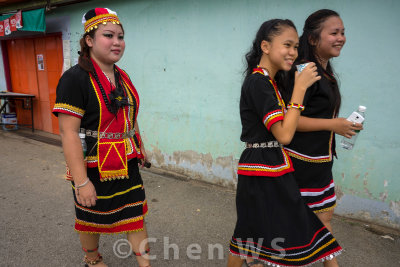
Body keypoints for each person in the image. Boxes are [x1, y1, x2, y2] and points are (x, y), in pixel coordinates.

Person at [227, 19, 343, 267]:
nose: (293, 52)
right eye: (287, 45)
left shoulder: (270, 83)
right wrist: (300, 89)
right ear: (266, 47)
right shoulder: (258, 83)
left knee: (259, 234)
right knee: (250, 234)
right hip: (261, 166)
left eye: (296, 46)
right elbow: (285, 135)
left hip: (272, 164)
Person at [53, 8, 151, 267]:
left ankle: (146, 264)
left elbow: (130, 114)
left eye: (121, 36)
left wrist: (141, 145)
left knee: (135, 212)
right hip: (92, 163)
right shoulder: (74, 79)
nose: (117, 42)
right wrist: (82, 181)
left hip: (126, 160)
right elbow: (68, 132)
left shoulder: (122, 76)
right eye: (109, 35)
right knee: (90, 215)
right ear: (89, 40)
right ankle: (92, 259)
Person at [282, 9, 363, 267]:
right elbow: (290, 121)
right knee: (295, 229)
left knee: (323, 223)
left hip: (320, 162)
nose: (341, 38)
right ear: (314, 39)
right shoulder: (306, 72)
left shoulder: (325, 72)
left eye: (343, 32)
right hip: (300, 164)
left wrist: (342, 125)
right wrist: (334, 124)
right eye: (334, 33)